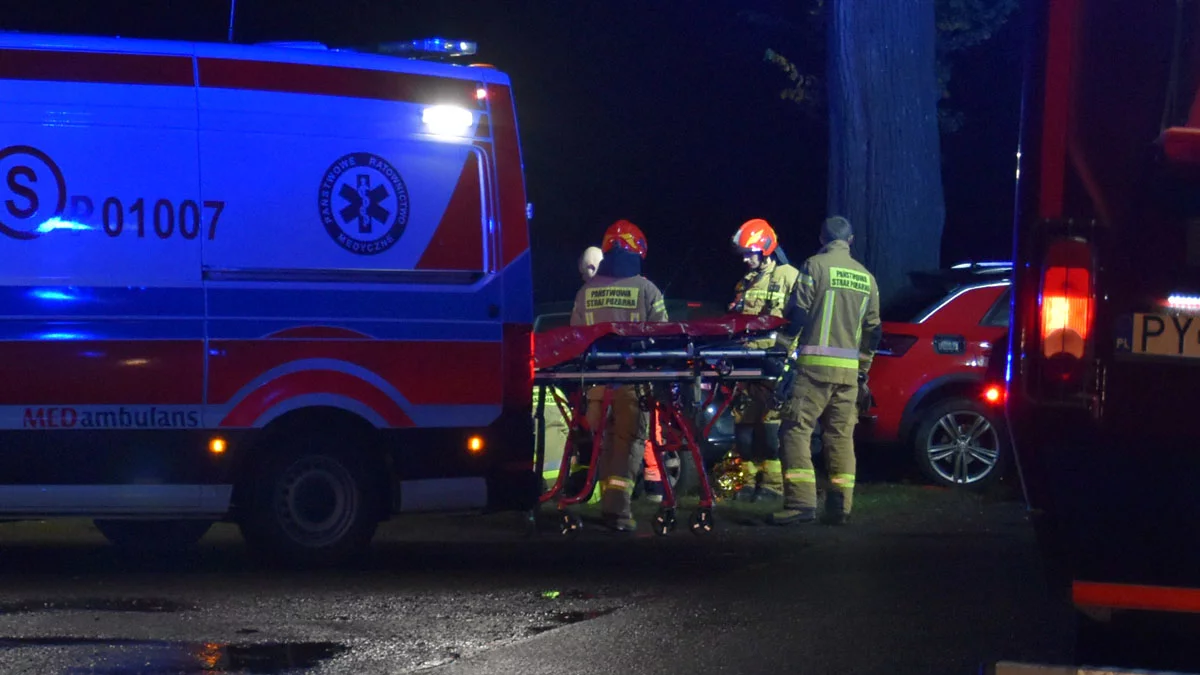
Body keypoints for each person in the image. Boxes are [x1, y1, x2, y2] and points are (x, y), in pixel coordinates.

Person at [770, 216, 881, 526]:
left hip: (813, 369)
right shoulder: (867, 278)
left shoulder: (814, 266)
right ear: (851, 240)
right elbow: (873, 329)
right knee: (841, 438)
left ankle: (801, 504)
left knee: (795, 430)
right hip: (848, 375)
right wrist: (863, 368)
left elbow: (799, 313)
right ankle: (840, 507)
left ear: (821, 239)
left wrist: (781, 348)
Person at [569, 219, 668, 531]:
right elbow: (663, 335)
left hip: (595, 386)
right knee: (627, 444)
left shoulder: (586, 291)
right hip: (632, 383)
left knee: (602, 443)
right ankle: (618, 512)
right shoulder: (647, 289)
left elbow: (574, 336)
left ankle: (600, 502)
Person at [727, 218, 800, 501]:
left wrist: (789, 356)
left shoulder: (788, 276)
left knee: (771, 433)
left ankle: (772, 487)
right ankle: (745, 483)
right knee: (743, 431)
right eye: (744, 254)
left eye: (750, 253)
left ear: (765, 248)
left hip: (774, 367)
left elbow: (800, 319)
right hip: (746, 366)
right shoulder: (744, 283)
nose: (746, 259)